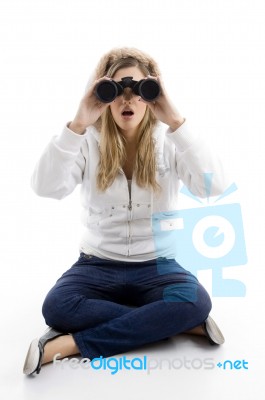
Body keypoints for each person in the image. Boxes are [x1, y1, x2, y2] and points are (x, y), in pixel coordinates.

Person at [23, 47, 227, 376]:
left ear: (152, 95)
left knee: (197, 302)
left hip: (158, 266)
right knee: (56, 306)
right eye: (116, 91)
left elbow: (214, 186)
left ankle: (70, 344)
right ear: (103, 94)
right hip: (96, 264)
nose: (127, 101)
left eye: (139, 92)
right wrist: (77, 124)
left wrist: (175, 120)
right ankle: (173, 323)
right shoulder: (87, 140)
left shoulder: (170, 140)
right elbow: (45, 187)